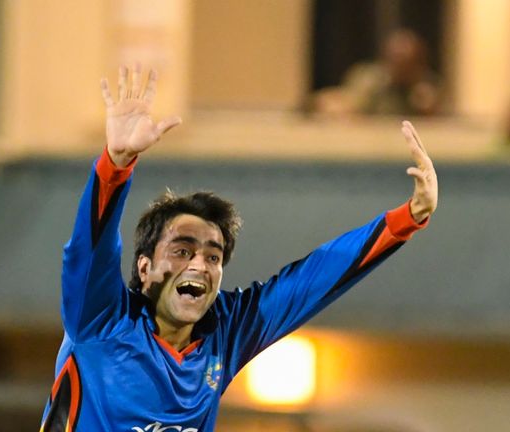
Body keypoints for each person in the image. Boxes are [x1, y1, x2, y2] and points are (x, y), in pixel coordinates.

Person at [39, 65, 438, 431]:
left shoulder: (226, 332)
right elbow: (89, 251)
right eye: (182, 250)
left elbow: (314, 278)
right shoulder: (100, 319)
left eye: (213, 256)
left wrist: (409, 216)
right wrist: (116, 164)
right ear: (144, 268)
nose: (199, 264)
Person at [313, 29, 442, 117]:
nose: (400, 68)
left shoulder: (429, 88)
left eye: (408, 63)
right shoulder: (369, 79)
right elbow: (347, 104)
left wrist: (429, 110)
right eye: (395, 60)